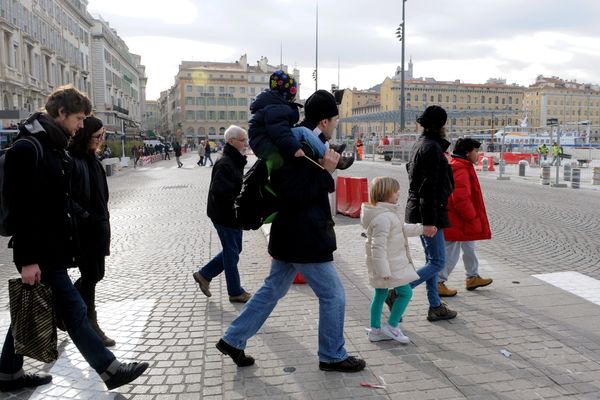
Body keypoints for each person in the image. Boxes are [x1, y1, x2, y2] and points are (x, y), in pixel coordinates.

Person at [0, 86, 148, 392]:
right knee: (75, 311)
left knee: (28, 310)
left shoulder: (54, 146)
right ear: (61, 113)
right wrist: (26, 260)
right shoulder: (28, 148)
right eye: (79, 118)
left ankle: (7, 373)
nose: (81, 125)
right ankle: (110, 369)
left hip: (53, 247)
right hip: (39, 251)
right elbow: (22, 210)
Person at [215, 90, 366, 373]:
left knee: (273, 289)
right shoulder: (298, 145)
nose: (336, 125)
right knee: (334, 295)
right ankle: (332, 355)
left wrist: (324, 168)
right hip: (304, 235)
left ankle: (233, 339)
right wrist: (327, 172)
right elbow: (295, 194)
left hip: (290, 233)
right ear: (323, 121)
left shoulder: (302, 141)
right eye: (334, 120)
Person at [387, 105, 457, 322]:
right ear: (441, 126)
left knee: (432, 260)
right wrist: (429, 222)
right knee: (437, 262)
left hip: (419, 209)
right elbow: (429, 188)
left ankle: (435, 305)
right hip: (430, 212)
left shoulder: (421, 144)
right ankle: (400, 291)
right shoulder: (433, 149)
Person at [68, 116, 116, 347]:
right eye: (97, 136)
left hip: (99, 227)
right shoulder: (72, 159)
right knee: (90, 276)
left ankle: (66, 308)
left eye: (102, 135)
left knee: (96, 274)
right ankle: (90, 322)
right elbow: (67, 198)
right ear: (84, 135)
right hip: (84, 230)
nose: (100, 140)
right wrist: (86, 217)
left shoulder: (93, 160)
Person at [248, 70, 351, 172]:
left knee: (301, 131)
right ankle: (331, 155)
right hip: (268, 143)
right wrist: (294, 148)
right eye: (335, 120)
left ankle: (328, 148)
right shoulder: (276, 108)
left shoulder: (272, 104)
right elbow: (280, 131)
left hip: (267, 141)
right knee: (303, 131)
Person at [192, 125, 251, 303]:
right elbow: (220, 192)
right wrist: (236, 203)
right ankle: (235, 291)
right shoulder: (225, 162)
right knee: (232, 252)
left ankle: (204, 274)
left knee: (233, 250)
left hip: (229, 214)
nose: (246, 143)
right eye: (243, 140)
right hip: (225, 215)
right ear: (231, 142)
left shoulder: (233, 159)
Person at [361, 177, 422, 344]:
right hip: (388, 266)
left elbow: (400, 229)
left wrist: (422, 229)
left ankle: (375, 330)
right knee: (406, 293)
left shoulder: (385, 214)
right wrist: (384, 271)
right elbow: (377, 248)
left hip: (387, 265)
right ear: (385, 193)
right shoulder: (383, 217)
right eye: (395, 191)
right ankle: (392, 326)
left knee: (380, 295)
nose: (398, 194)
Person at [437, 138, 493, 297]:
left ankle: (472, 277)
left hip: (459, 218)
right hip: (458, 218)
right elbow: (461, 198)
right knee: (451, 251)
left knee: (469, 246)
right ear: (468, 153)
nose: (478, 155)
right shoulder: (460, 168)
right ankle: (438, 282)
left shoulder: (460, 165)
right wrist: (472, 216)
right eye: (476, 151)